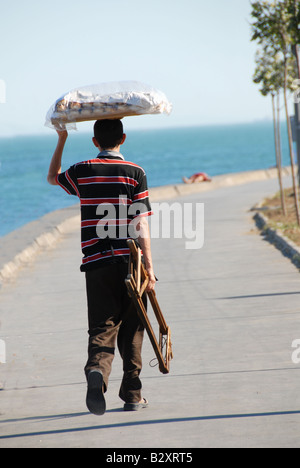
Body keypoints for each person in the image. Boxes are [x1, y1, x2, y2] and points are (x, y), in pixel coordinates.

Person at [47, 119, 156, 415]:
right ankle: (133, 394)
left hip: (96, 261)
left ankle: (97, 370)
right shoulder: (136, 173)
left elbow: (53, 177)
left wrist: (62, 138)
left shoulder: (83, 170)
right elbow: (140, 222)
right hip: (130, 262)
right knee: (133, 327)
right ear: (123, 137)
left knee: (102, 325)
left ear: (95, 141)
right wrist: (148, 266)